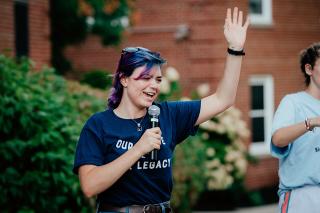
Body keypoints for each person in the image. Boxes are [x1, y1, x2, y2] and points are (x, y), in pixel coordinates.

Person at [73, 7, 249, 213]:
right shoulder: (99, 125)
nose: (154, 86)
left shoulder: (168, 115)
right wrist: (138, 149)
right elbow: (90, 186)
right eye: (145, 78)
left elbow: (223, 99)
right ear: (124, 79)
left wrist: (235, 49)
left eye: (158, 79)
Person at [271, 42, 320, 213]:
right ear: (309, 69)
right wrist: (312, 122)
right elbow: (278, 139)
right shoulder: (292, 103)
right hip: (301, 198)